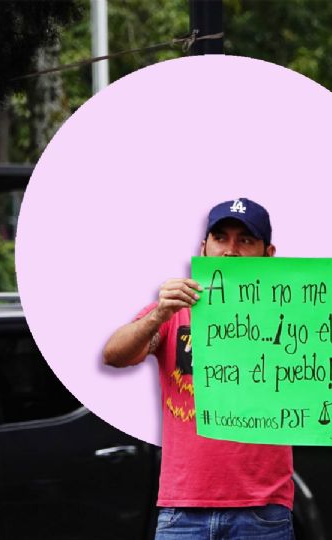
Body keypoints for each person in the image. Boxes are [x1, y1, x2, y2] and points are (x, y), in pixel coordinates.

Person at [103, 198, 294, 540]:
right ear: (203, 248)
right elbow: (115, 355)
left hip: (263, 508)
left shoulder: (290, 316)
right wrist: (159, 314)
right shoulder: (174, 310)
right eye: (220, 238)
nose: (230, 251)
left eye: (245, 241)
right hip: (184, 510)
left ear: (269, 253)